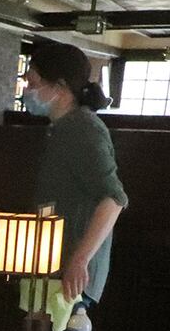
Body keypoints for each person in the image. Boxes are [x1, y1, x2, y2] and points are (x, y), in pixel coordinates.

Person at [21, 41, 129, 310]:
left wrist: (79, 260)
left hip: (70, 279)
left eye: (33, 83)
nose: (28, 91)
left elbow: (114, 199)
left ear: (59, 87)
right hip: (54, 268)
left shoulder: (82, 129)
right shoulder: (63, 128)